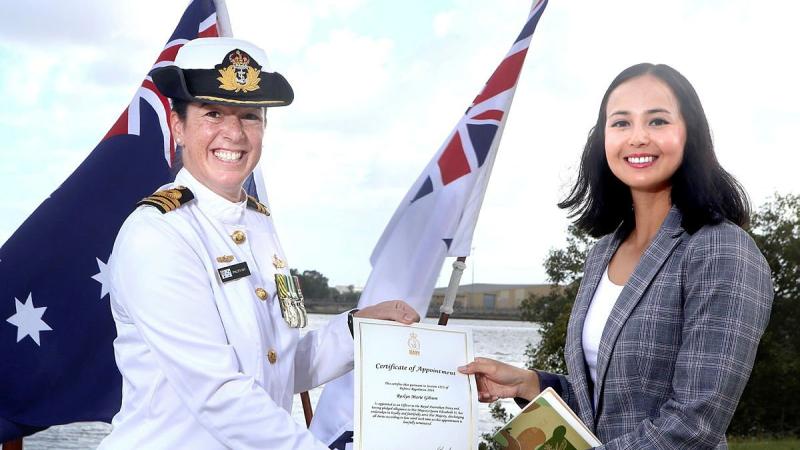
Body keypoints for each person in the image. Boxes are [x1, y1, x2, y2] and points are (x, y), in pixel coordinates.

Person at [98, 37, 420, 450]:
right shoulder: (158, 235)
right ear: (178, 126)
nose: (233, 133)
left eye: (249, 116)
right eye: (212, 113)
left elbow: (275, 366)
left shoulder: (257, 224)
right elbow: (218, 394)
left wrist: (357, 330)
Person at [459, 63, 773, 449]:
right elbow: (609, 406)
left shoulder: (721, 249)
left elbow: (694, 424)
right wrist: (530, 383)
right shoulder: (602, 253)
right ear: (603, 138)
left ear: (690, 134)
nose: (638, 137)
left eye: (657, 121)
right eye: (621, 123)